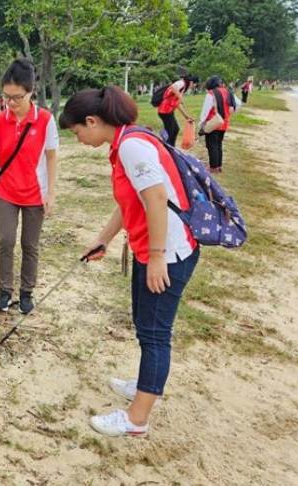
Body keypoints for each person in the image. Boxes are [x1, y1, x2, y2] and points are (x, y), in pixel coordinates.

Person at [59, 85, 200, 437]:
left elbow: (156, 199)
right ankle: (144, 385)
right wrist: (103, 239)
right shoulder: (123, 143)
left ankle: (137, 419)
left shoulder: (132, 146)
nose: (79, 139)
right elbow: (130, 202)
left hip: (167, 253)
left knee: (155, 334)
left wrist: (157, 258)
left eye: (77, 132)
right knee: (144, 323)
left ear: (92, 121)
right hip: (150, 249)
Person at [0, 59, 59, 314]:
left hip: (35, 193)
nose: (11, 103)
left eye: (17, 97)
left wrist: (51, 193)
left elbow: (51, 157)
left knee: (30, 244)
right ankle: (5, 291)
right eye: (6, 97)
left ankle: (26, 292)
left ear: (31, 92)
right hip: (6, 191)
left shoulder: (45, 120)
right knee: (5, 240)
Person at [199, 76, 239, 174]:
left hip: (213, 122)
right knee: (218, 144)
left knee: (211, 145)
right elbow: (236, 105)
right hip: (224, 122)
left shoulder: (211, 94)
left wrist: (202, 122)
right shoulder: (228, 92)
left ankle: (213, 167)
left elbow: (206, 110)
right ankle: (219, 165)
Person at [156, 75, 196, 146]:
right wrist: (180, 96)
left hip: (168, 111)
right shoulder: (182, 83)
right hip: (164, 111)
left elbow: (177, 104)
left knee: (175, 129)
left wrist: (186, 116)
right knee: (171, 131)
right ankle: (167, 147)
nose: (194, 86)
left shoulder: (183, 88)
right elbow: (173, 87)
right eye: (195, 84)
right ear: (191, 82)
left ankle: (170, 146)